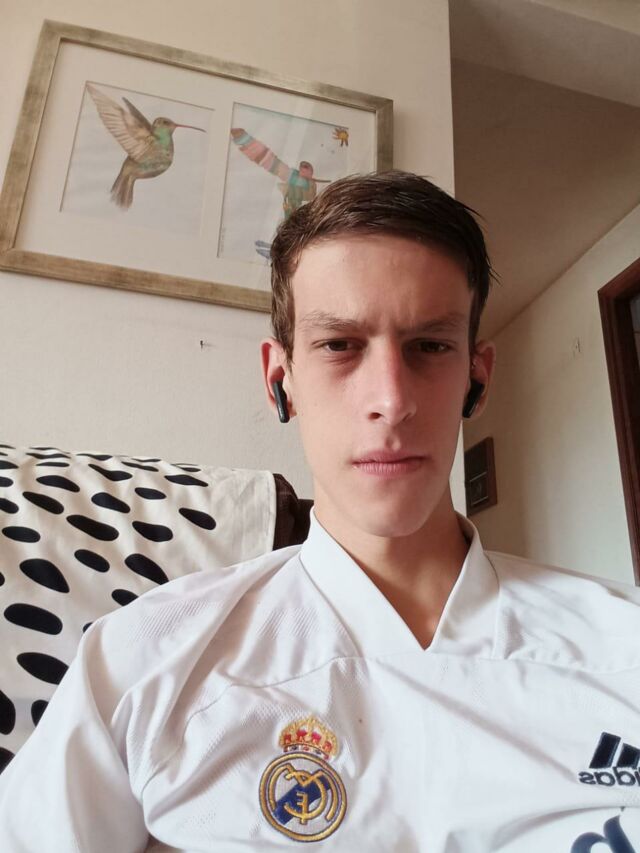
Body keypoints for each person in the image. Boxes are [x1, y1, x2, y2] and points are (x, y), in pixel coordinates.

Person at [1, 171, 639, 852]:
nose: (391, 400)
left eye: (430, 346)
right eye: (340, 345)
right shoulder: (140, 666)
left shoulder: (623, 644)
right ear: (280, 378)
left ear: (475, 377)